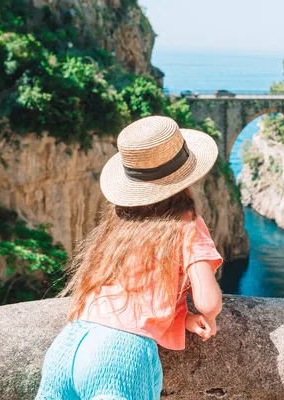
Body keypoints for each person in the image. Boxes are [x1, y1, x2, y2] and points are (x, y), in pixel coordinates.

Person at [35, 116, 224, 400]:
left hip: (69, 345)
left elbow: (130, 294)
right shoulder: (186, 222)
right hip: (118, 356)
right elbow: (208, 301)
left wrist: (181, 318)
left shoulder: (118, 223)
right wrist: (208, 315)